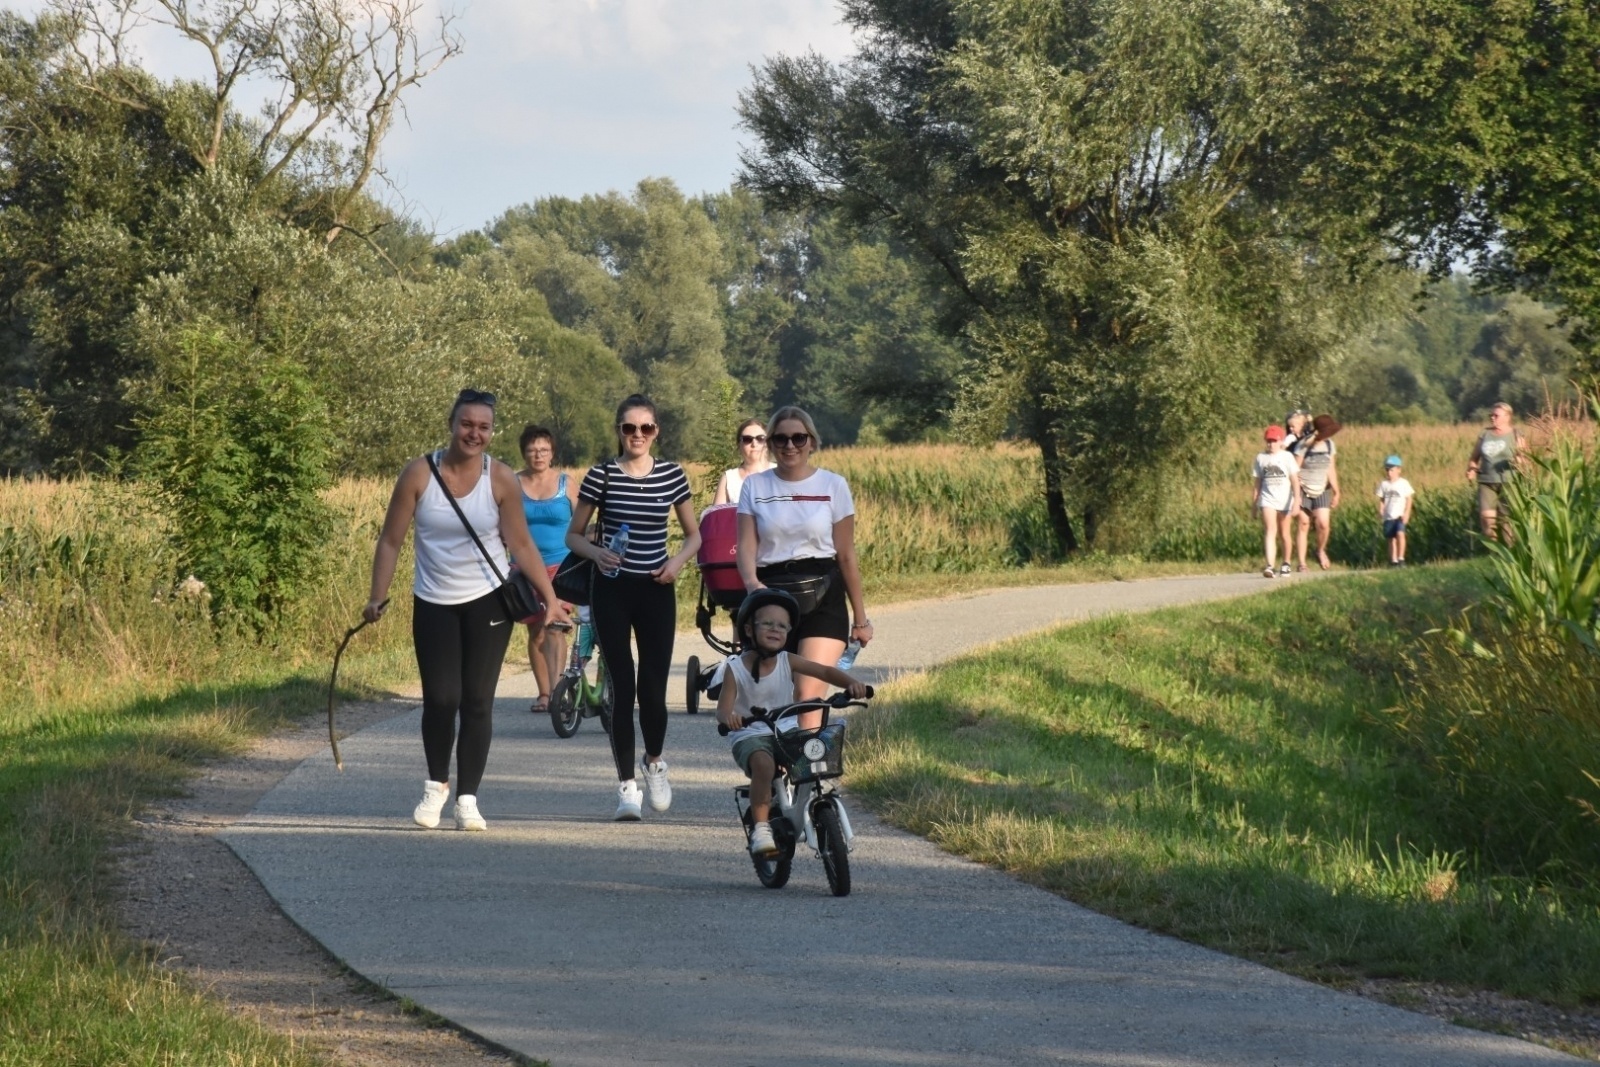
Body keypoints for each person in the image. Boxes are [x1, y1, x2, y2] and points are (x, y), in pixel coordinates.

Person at [365, 389, 567, 832]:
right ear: (452, 424)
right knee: (441, 699)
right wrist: (376, 596)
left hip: (488, 600)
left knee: (477, 701)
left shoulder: (500, 480)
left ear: (492, 432)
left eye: (484, 426)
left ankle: (468, 798)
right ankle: (436, 785)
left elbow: (521, 543)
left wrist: (549, 600)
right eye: (467, 424)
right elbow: (390, 541)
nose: (474, 433)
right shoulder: (419, 474)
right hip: (433, 601)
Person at [565, 394, 701, 821]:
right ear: (618, 431)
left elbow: (694, 535)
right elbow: (574, 535)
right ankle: (626, 787)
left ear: (656, 431)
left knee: (653, 688)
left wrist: (676, 564)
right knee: (622, 688)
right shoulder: (601, 474)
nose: (637, 435)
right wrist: (596, 553)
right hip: (612, 589)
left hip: (656, 589)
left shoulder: (672, 475)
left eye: (645, 428)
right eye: (629, 428)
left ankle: (655, 762)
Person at [736, 405, 871, 723]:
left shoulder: (833, 486)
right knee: (772, 694)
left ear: (812, 441)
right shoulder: (755, 487)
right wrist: (754, 588)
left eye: (798, 438)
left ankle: (806, 769)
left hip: (823, 592)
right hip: (771, 595)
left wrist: (861, 619)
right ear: (771, 443)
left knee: (807, 694)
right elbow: (745, 546)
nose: (790, 446)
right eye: (781, 439)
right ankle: (776, 768)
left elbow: (846, 554)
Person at [715, 589, 868, 857]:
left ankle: (812, 809)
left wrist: (852, 684)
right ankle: (761, 828)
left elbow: (824, 671)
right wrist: (731, 718)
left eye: (783, 626)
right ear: (749, 630)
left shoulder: (788, 660)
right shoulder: (735, 668)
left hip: (786, 730)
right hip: (750, 734)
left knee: (817, 751)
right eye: (769, 624)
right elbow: (723, 710)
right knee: (764, 764)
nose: (776, 629)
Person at [515, 425, 578, 714]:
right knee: (536, 632)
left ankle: (557, 691)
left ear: (552, 453)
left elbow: (583, 525)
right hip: (525, 568)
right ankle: (543, 693)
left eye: (543, 449)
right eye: (532, 449)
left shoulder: (567, 483)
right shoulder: (513, 484)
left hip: (562, 568)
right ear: (524, 453)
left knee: (556, 628)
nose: (537, 454)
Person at [1466, 401, 1526, 541]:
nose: (1492, 418)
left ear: (1507, 416)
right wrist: (1472, 469)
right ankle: (1494, 551)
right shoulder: (1485, 434)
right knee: (1487, 519)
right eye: (1491, 415)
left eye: (1496, 415)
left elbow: (1525, 459)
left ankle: (1511, 553)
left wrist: (1519, 462)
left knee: (1507, 520)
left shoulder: (1516, 434)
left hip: (1509, 481)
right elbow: (1474, 458)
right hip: (1487, 481)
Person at [1292, 414, 1342, 571]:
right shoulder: (1303, 446)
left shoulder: (1329, 445)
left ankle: (1320, 550)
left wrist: (1337, 490)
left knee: (1323, 524)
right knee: (1304, 524)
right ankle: (1302, 563)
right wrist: (1295, 493)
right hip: (1303, 488)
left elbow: (1330, 468)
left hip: (1322, 488)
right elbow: (1294, 469)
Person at [1251, 425, 1301, 579]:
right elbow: (1258, 483)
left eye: (1274, 441)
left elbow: (1294, 480)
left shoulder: (1287, 457)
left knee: (1284, 533)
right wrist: (1254, 504)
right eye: (1268, 441)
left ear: (1280, 441)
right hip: (1268, 498)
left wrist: (1297, 500)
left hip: (1285, 499)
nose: (1270, 444)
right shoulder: (1261, 458)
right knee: (1270, 530)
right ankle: (1270, 566)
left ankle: (1286, 563)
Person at [712, 417, 775, 505]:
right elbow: (717, 517)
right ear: (739, 445)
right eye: (747, 439)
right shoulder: (729, 479)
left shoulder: (782, 472)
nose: (754, 443)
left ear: (768, 442)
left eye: (760, 438)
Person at [1278, 410, 1311, 570]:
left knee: (1304, 521)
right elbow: (1279, 458)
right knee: (1289, 523)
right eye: (1289, 426)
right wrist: (1285, 444)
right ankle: (1287, 560)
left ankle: (1302, 561)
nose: (1291, 429)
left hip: (1306, 483)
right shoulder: (1288, 442)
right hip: (1289, 483)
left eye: (1294, 426)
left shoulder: (1308, 440)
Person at [1377, 455, 1415, 566]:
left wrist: (1407, 512)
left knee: (1400, 534)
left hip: (1400, 515)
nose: (1389, 472)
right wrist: (1381, 509)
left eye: (1392, 470)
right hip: (1388, 516)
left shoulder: (1403, 483)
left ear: (1399, 470)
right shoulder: (1384, 484)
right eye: (1387, 470)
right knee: (1390, 538)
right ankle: (1393, 560)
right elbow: (1382, 499)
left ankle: (1401, 558)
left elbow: (1409, 499)